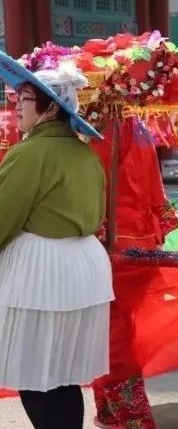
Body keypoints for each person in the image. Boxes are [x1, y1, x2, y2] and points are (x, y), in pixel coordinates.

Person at [0, 57, 114, 428]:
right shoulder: (85, 154)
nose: (16, 105)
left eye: (25, 98)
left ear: (50, 109)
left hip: (42, 275)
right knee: (62, 377)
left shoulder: (29, 153)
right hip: (84, 272)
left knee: (36, 377)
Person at [89, 116, 178, 429]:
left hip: (114, 245)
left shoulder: (100, 131)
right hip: (140, 241)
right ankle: (110, 408)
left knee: (111, 332)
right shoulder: (137, 125)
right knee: (115, 328)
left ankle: (131, 414)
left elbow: (93, 192)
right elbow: (153, 188)